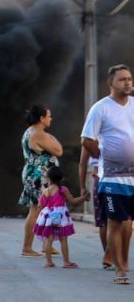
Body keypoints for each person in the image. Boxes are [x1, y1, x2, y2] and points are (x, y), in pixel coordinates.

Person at [81, 64, 134, 284]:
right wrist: (105, 157)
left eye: (130, 79)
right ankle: (119, 268)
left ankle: (124, 260)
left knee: (129, 223)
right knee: (114, 222)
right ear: (110, 83)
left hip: (133, 178)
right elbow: (87, 140)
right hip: (112, 178)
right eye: (122, 79)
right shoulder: (100, 108)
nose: (128, 83)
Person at [19, 105, 63, 257]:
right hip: (39, 175)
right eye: (49, 116)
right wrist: (51, 137)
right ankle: (26, 248)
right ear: (42, 118)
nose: (51, 119)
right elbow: (59, 150)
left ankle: (46, 244)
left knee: (43, 209)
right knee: (36, 210)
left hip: (35, 173)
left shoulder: (31, 131)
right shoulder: (38, 133)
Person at [34, 166, 89, 268]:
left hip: (50, 217)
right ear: (61, 179)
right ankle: (66, 262)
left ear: (48, 179)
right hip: (61, 217)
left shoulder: (46, 191)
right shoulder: (63, 189)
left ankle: (49, 262)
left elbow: (40, 206)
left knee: (48, 239)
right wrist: (83, 198)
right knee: (63, 239)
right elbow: (73, 201)